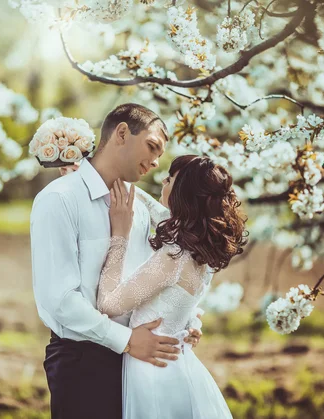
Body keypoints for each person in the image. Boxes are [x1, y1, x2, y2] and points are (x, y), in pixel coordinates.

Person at [30, 103, 203, 419]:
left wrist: (184, 319)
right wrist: (126, 341)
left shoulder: (136, 207)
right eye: (151, 147)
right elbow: (59, 300)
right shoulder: (60, 199)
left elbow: (151, 277)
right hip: (83, 363)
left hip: (137, 366)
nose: (154, 162)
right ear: (122, 133)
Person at [98, 154, 248, 419]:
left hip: (154, 374)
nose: (163, 181)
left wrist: (119, 236)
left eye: (170, 179)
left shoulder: (174, 257)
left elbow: (108, 304)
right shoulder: (203, 249)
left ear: (183, 194)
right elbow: (160, 212)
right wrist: (109, 179)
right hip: (178, 366)